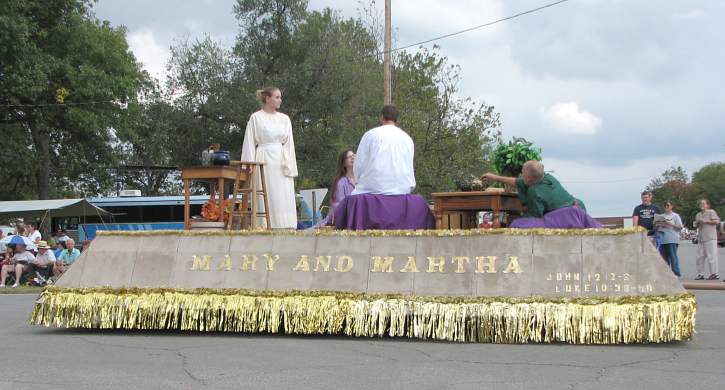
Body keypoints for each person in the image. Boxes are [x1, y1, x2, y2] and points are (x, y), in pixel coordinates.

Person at [334, 105, 434, 230]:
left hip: (372, 189)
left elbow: (358, 166)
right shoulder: (407, 139)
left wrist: (361, 181)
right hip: (401, 189)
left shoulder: (370, 135)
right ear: (397, 120)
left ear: (381, 118)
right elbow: (408, 167)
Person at [481, 161, 602, 229]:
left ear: (528, 178)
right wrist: (495, 177)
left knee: (517, 224)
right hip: (579, 208)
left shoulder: (535, 191)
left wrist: (523, 212)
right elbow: (518, 182)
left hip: (566, 216)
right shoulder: (547, 177)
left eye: (522, 173)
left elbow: (535, 215)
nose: (521, 175)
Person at [241, 87, 298, 229]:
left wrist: (289, 164)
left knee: (282, 192)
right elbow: (249, 142)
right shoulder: (256, 117)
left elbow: (289, 144)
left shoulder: (284, 119)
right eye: (277, 97)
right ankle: (264, 224)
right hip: (263, 158)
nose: (280, 100)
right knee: (266, 190)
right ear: (268, 98)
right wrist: (248, 165)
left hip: (280, 159)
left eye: (280, 97)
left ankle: (285, 224)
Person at [315, 149, 356, 227]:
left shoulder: (361, 180)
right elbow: (338, 205)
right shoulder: (341, 182)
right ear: (344, 163)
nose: (353, 158)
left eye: (353, 156)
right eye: (349, 157)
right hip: (342, 221)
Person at [694, 198, 720, 280]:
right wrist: (697, 223)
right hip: (701, 238)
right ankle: (700, 274)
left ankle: (714, 274)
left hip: (710, 237)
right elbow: (696, 225)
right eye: (700, 204)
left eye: (703, 204)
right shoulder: (698, 214)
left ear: (707, 205)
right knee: (699, 257)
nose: (702, 205)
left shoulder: (711, 212)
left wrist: (706, 221)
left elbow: (717, 221)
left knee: (711, 256)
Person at [655, 201, 683, 277]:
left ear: (671, 206)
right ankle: (666, 274)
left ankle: (676, 273)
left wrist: (669, 224)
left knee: (672, 256)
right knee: (664, 257)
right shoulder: (661, 215)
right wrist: (658, 224)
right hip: (662, 239)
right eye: (665, 205)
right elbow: (657, 226)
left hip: (672, 238)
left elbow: (680, 227)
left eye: (668, 205)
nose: (666, 207)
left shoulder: (675, 216)